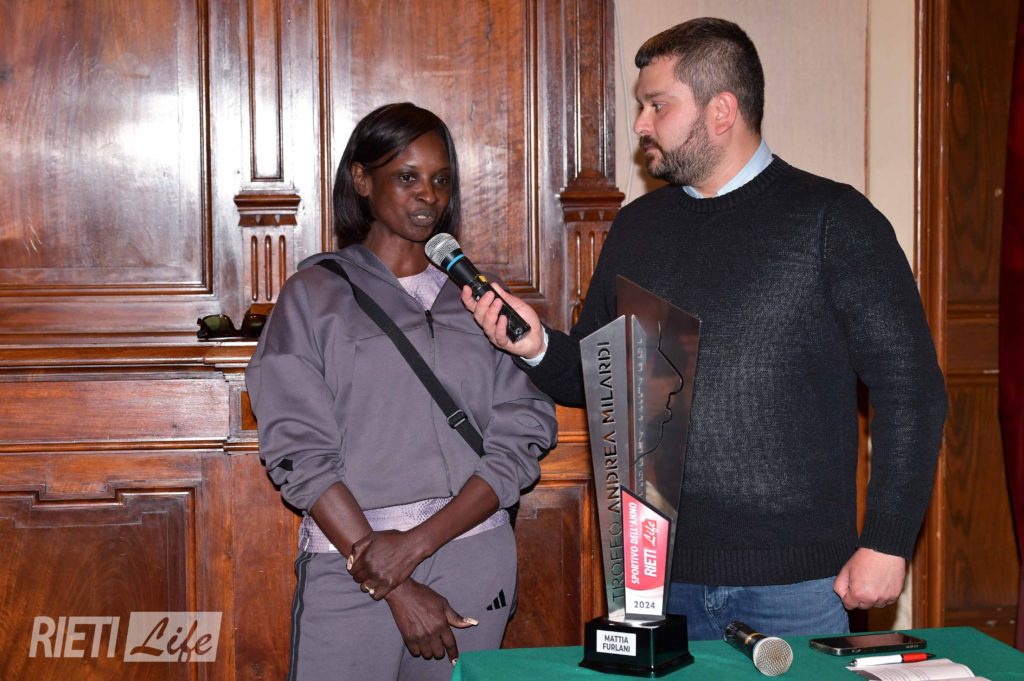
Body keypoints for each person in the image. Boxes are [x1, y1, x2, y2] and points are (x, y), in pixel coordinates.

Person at [463, 18, 947, 640]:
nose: (640, 124)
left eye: (657, 105)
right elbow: (597, 377)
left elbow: (911, 389)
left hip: (797, 586)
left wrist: (887, 541)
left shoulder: (833, 220)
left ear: (721, 110)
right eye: (642, 106)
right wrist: (533, 346)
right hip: (655, 580)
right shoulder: (638, 228)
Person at [245, 102, 557, 680]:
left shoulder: (481, 298)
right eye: (407, 177)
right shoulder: (312, 296)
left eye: (441, 180)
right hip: (352, 566)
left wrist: (416, 546)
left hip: (473, 557)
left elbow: (522, 435)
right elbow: (299, 451)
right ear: (362, 180)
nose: (428, 196)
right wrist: (391, 580)